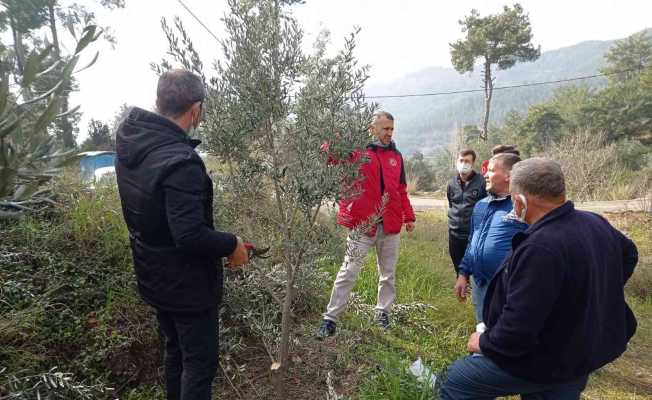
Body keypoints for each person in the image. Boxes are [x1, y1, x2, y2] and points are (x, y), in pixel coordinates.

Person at [441, 158, 638, 400]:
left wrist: (483, 342)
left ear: (521, 201)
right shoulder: (594, 222)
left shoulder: (541, 248)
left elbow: (517, 330)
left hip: (545, 359)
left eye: (514, 198)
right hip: (576, 350)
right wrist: (593, 290)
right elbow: (629, 254)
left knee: (458, 378)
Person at [115, 69, 249, 400]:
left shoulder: (132, 143)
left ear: (159, 102)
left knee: (175, 353)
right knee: (199, 366)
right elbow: (189, 235)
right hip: (186, 287)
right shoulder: (181, 162)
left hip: (153, 275)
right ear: (196, 109)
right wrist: (231, 243)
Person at [316, 111, 416, 338]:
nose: (389, 133)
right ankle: (330, 319)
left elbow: (400, 190)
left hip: (390, 225)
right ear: (372, 128)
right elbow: (328, 156)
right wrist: (339, 134)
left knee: (388, 274)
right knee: (348, 271)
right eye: (385, 129)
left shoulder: (396, 156)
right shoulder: (356, 151)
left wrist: (408, 216)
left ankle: (382, 315)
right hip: (362, 224)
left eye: (392, 129)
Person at [454, 153, 526, 322]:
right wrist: (463, 274)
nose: (485, 174)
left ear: (509, 176)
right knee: (483, 327)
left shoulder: (522, 207)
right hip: (480, 283)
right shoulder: (481, 205)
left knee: (507, 333)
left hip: (508, 287)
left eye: (492, 171)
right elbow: (472, 241)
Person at [447, 149, 486, 275]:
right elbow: (451, 203)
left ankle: (472, 291)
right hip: (454, 233)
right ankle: (462, 289)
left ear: (473, 163)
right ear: (457, 162)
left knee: (473, 267)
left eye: (467, 161)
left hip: (472, 234)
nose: (463, 164)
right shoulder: (452, 183)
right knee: (458, 266)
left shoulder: (482, 182)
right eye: (461, 160)